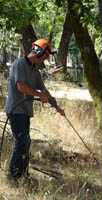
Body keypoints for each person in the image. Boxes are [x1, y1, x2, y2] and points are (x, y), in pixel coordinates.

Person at [5, 38, 65, 181]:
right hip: (15, 109)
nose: (43, 60)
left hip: (25, 111)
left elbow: (43, 89)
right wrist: (39, 95)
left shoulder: (35, 71)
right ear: (38, 52)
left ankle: (23, 175)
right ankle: (13, 177)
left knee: (26, 142)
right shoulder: (19, 64)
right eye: (44, 57)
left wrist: (55, 105)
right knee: (22, 142)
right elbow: (21, 87)